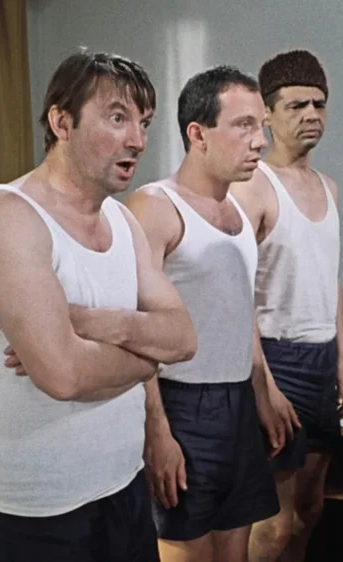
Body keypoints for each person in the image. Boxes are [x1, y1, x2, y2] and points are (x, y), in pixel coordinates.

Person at [0, 50, 197, 561]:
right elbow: (64, 375)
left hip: (122, 485)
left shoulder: (123, 221)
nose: (137, 140)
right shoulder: (4, 214)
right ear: (61, 122)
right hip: (31, 511)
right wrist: (148, 357)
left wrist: (95, 323)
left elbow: (183, 338)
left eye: (144, 122)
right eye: (117, 118)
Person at [125, 65, 281, 562]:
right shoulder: (155, 205)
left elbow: (239, 311)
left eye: (261, 126)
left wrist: (262, 390)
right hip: (181, 402)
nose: (260, 141)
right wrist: (157, 430)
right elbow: (135, 328)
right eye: (244, 126)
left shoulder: (239, 213)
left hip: (236, 402)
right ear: (198, 134)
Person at [230, 49, 343, 562]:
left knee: (310, 511)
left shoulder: (330, 187)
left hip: (322, 359)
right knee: (273, 526)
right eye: (297, 105)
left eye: (318, 104)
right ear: (267, 114)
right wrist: (264, 383)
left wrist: (341, 355)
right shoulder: (252, 186)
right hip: (276, 358)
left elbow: (330, 275)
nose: (311, 115)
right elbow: (235, 294)